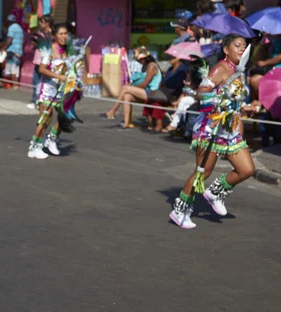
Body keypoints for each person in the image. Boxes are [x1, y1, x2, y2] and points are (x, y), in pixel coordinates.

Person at [169, 34, 258, 229]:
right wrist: (218, 101)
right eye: (237, 45)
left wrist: (245, 107)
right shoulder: (220, 68)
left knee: (247, 169)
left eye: (244, 46)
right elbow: (202, 93)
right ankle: (180, 210)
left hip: (230, 129)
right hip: (211, 129)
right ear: (226, 50)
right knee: (203, 173)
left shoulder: (240, 72)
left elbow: (234, 100)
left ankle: (216, 193)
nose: (242, 49)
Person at [28, 24, 82, 159]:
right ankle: (35, 146)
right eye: (61, 34)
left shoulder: (67, 51)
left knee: (66, 115)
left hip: (61, 90)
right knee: (45, 118)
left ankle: (51, 139)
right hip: (47, 89)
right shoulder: (49, 50)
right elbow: (42, 70)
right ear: (54, 36)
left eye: (66, 34)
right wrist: (60, 77)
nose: (64, 36)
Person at [104, 47, 162, 129]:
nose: (139, 62)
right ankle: (126, 122)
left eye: (139, 60)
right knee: (126, 96)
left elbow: (144, 84)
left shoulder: (151, 66)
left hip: (152, 93)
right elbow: (139, 81)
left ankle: (113, 110)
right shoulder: (145, 66)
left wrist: (131, 87)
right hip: (146, 92)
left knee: (125, 88)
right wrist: (132, 84)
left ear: (144, 58)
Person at [27, 14, 53, 110]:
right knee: (35, 82)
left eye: (43, 21)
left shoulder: (52, 34)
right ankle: (35, 101)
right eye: (40, 21)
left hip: (45, 61)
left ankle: (40, 101)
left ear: (48, 23)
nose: (41, 23)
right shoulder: (39, 33)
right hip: (37, 60)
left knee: (43, 83)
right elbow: (34, 43)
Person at [1, 14, 24, 89]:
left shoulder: (11, 28)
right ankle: (15, 84)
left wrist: (3, 48)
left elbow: (9, 40)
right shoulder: (20, 28)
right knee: (16, 68)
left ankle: (14, 85)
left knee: (11, 67)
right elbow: (23, 40)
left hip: (12, 50)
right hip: (19, 50)